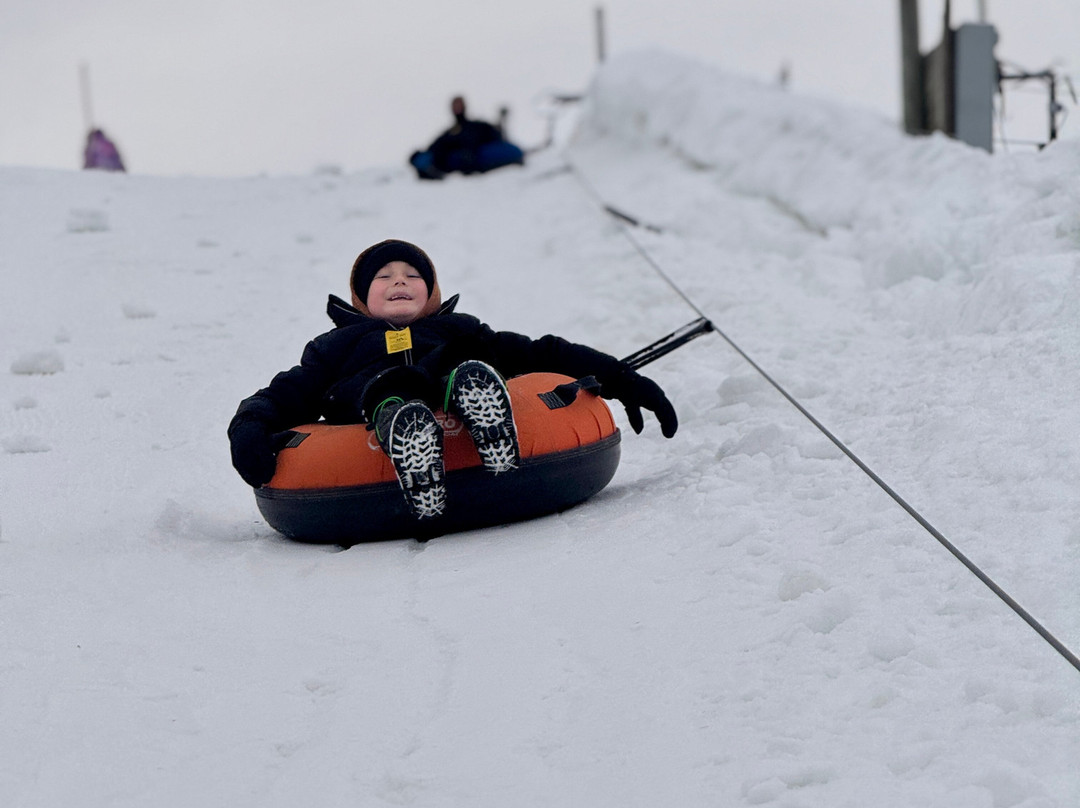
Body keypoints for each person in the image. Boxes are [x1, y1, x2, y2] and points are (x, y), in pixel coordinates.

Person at [228, 239, 677, 521]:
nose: (398, 281)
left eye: (413, 276)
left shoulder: (459, 328)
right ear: (361, 299)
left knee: (466, 355)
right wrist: (249, 426)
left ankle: (473, 395)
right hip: (375, 400)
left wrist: (621, 377)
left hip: (453, 376)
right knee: (390, 385)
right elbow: (283, 393)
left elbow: (543, 352)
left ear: (433, 293)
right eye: (383, 278)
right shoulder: (335, 347)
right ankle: (405, 428)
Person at [410, 96, 525, 180]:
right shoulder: (448, 133)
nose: (457, 108)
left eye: (459, 105)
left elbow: (494, 135)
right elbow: (435, 148)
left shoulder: (476, 126)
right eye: (455, 106)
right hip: (455, 165)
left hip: (480, 159)